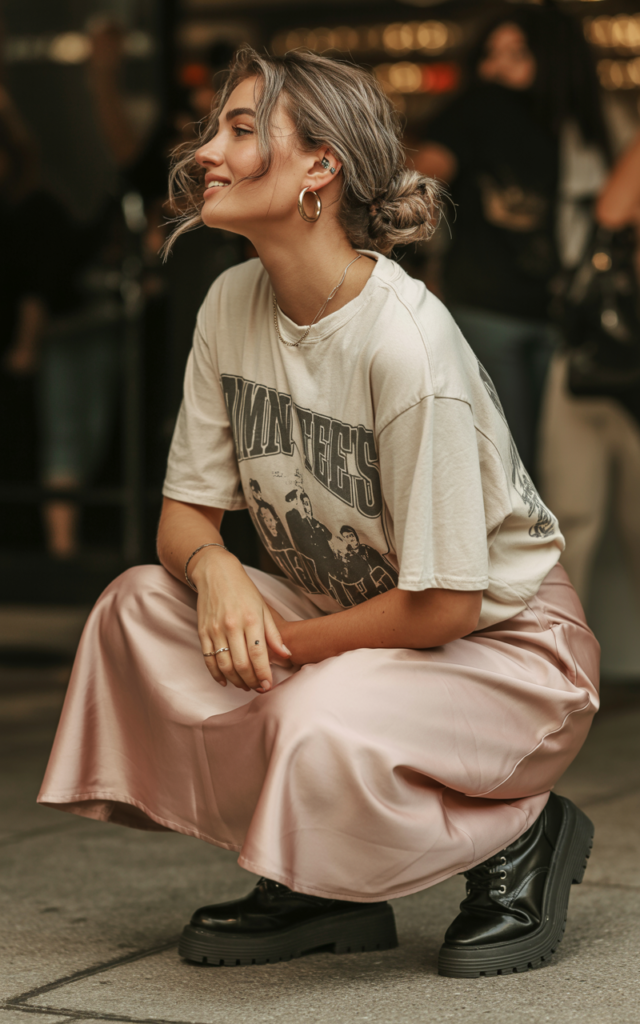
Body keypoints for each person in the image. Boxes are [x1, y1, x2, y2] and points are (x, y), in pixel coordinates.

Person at [38, 48, 599, 979]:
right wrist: (216, 570)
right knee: (136, 608)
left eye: (240, 129)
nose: (205, 151)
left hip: (507, 655)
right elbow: (183, 519)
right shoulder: (230, 301)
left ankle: (520, 835)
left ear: (320, 167)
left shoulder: (406, 345)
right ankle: (320, 875)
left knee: (309, 705)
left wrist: (280, 652)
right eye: (214, 129)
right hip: (361, 628)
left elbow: (446, 605)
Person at [415, 6, 610, 474]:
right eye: (490, 53)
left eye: (517, 53)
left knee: (555, 464)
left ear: (554, 57)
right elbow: (425, 173)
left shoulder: (580, 126)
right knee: (511, 463)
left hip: (560, 316)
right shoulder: (477, 107)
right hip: (487, 310)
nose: (497, 66)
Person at [539, 130, 640, 604]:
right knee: (570, 524)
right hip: (589, 371)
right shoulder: (618, 218)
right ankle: (565, 646)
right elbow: (611, 212)